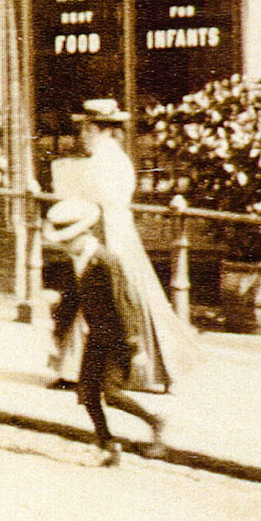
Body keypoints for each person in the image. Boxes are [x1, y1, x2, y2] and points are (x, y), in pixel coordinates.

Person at [47, 98, 196, 394]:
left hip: (105, 231)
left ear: (96, 129)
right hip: (111, 230)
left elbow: (92, 201)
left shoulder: (103, 161)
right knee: (108, 297)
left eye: (86, 130)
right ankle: (82, 370)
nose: (83, 136)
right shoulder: (113, 159)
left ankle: (128, 371)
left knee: (114, 297)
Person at [45, 198, 166, 467]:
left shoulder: (106, 261)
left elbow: (125, 304)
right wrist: (58, 338)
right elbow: (69, 303)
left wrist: (135, 347)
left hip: (119, 338)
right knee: (87, 394)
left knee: (111, 394)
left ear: (83, 234)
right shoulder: (75, 262)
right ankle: (107, 444)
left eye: (68, 240)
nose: (65, 246)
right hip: (96, 337)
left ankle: (155, 422)